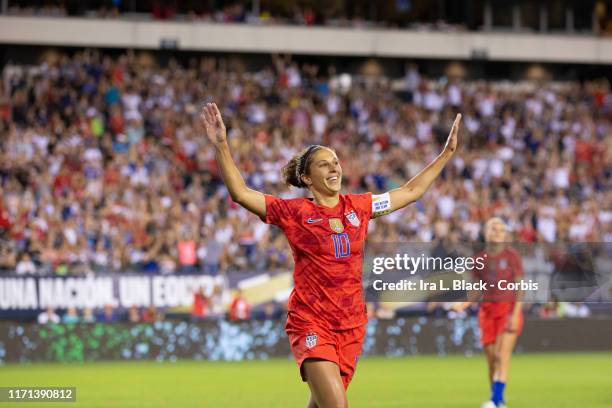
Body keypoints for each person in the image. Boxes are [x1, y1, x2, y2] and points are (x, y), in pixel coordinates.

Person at [201, 102, 461, 408]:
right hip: (311, 321)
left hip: (351, 325)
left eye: (335, 161)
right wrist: (221, 145)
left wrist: (446, 154)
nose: (334, 167)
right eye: (324, 164)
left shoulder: (360, 207)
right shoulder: (295, 212)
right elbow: (241, 194)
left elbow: (410, 191)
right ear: (308, 178)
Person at [453, 218, 524, 408]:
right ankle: (498, 399)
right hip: (487, 312)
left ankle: (495, 400)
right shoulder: (478, 260)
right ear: (486, 232)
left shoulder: (512, 257)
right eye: (494, 228)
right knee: (492, 360)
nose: (498, 232)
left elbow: (520, 288)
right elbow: (476, 289)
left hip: (507, 310)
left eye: (502, 230)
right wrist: (464, 305)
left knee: (502, 356)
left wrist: (516, 314)